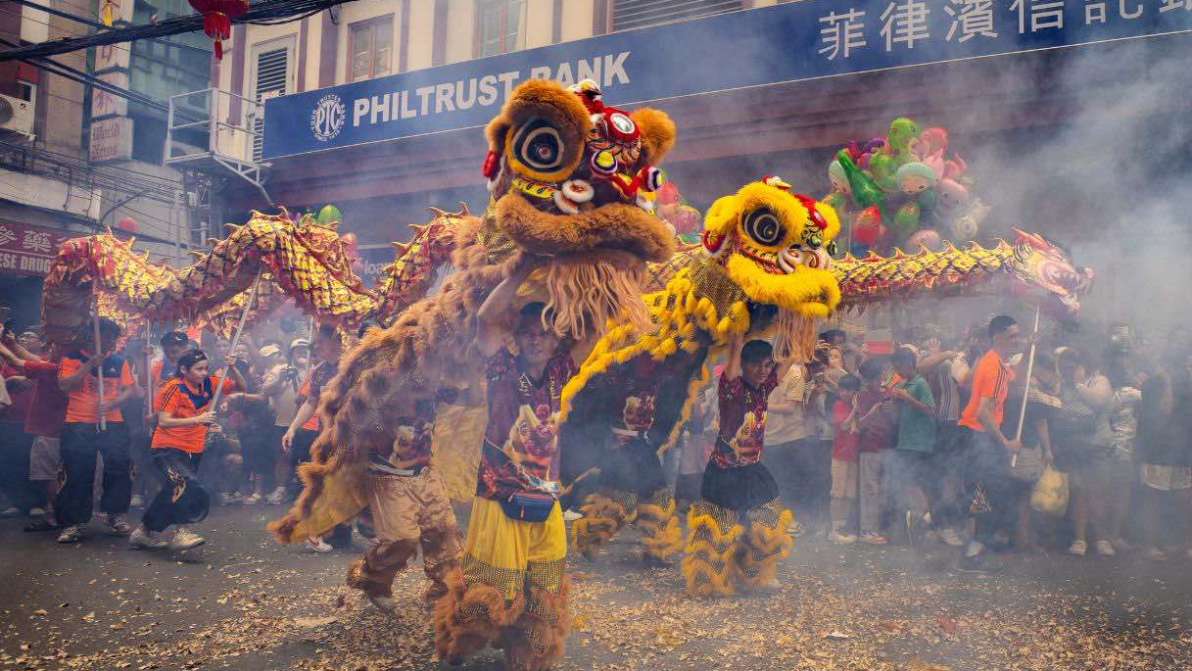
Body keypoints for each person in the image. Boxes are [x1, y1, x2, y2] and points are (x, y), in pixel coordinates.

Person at [435, 260, 577, 671]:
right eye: (528, 334)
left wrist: (579, 274)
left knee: (544, 585)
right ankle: (459, 643)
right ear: (516, 339)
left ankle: (525, 653)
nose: (536, 341)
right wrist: (524, 267)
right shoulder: (501, 369)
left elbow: (594, 329)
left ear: (555, 340)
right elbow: (485, 319)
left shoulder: (561, 372)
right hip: (499, 495)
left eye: (544, 334)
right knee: (494, 588)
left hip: (545, 497)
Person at [682, 336, 795, 596]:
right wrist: (738, 335)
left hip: (752, 470)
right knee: (719, 530)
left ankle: (754, 573)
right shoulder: (731, 387)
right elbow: (734, 356)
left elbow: (791, 357)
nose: (763, 370)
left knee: (765, 520)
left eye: (767, 365)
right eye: (756, 364)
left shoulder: (765, 389)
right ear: (743, 364)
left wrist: (796, 325)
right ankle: (708, 581)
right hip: (724, 470)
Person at [129, 349, 243, 551]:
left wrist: (233, 368)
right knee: (187, 484)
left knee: (171, 492)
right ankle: (181, 533)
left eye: (206, 368)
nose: (204, 373)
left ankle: (143, 532)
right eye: (199, 369)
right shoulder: (173, 388)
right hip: (167, 448)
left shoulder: (210, 383)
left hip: (194, 448)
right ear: (184, 369)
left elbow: (241, 387)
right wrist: (198, 419)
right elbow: (163, 421)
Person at [55, 318, 143, 544]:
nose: (112, 341)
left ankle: (115, 514)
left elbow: (129, 390)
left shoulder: (118, 361)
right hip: (79, 422)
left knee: (118, 466)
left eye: (114, 337)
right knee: (78, 471)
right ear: (94, 336)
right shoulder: (72, 358)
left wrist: (114, 403)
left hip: (112, 421)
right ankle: (74, 522)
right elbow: (65, 385)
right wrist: (89, 365)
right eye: (108, 336)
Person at [955, 315, 1024, 572]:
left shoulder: (995, 362)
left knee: (985, 493)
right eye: (1012, 336)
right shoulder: (993, 366)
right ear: (997, 336)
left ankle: (978, 548)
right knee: (985, 494)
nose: (1017, 340)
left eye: (1019, 335)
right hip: (979, 435)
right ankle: (973, 551)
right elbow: (984, 412)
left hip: (977, 435)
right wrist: (1006, 443)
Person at [282, 325, 347, 552]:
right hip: (329, 436)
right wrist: (292, 427)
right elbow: (311, 402)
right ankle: (314, 532)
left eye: (320, 342)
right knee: (327, 483)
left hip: (355, 434)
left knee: (348, 484)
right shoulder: (319, 371)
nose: (316, 346)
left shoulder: (353, 365)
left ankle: (340, 534)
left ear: (335, 341)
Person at [0, 331, 66, 529]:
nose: (49, 349)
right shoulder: (55, 364)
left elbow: (18, 361)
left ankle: (56, 515)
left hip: (50, 428)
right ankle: (54, 514)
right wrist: (11, 343)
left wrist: (4, 347)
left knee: (49, 477)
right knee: (47, 474)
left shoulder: (53, 367)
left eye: (53, 347)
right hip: (48, 428)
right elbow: (30, 358)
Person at [1136, 367, 1192, 561]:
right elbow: (1159, 411)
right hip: (1157, 450)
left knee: (1185, 499)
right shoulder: (1155, 381)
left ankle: (1185, 544)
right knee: (1153, 498)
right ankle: (1149, 545)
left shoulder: (1186, 381)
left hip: (1183, 451)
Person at [887, 346, 937, 543]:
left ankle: (925, 516)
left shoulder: (920, 383)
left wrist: (907, 398)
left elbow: (931, 410)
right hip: (906, 440)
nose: (897, 371)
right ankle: (920, 517)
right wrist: (895, 402)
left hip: (919, 442)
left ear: (908, 365)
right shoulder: (906, 383)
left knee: (913, 480)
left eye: (898, 367)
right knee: (907, 480)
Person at [261, 339, 308, 504]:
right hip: (284, 422)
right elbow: (265, 391)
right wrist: (280, 379)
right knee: (284, 456)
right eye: (298, 350)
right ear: (291, 353)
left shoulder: (315, 370)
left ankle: (306, 493)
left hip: (309, 424)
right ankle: (281, 489)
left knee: (307, 457)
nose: (302, 352)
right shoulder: (280, 369)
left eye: (305, 349)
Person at [855, 357, 896, 545]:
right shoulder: (862, 397)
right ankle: (868, 530)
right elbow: (859, 424)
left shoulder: (889, 394)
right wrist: (872, 412)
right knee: (870, 489)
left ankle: (878, 527)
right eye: (877, 376)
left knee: (883, 489)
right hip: (869, 447)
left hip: (887, 446)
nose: (879, 380)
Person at [828, 374, 862, 543]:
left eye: (849, 390)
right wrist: (855, 410)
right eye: (842, 389)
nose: (844, 393)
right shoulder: (839, 405)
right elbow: (844, 425)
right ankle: (835, 529)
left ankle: (843, 527)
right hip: (840, 456)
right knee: (838, 493)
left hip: (853, 456)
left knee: (850, 494)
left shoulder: (858, 406)